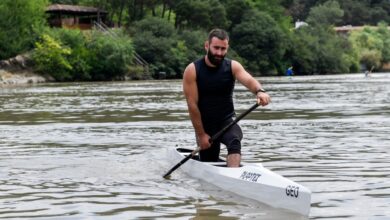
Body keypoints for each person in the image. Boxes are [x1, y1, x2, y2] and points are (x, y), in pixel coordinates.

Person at [182, 28, 271, 167]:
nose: (219, 53)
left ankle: (234, 176)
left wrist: (260, 91)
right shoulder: (192, 70)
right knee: (209, 160)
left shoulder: (233, 66)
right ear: (207, 45)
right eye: (216, 48)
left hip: (226, 121)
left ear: (227, 47)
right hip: (205, 126)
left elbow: (248, 80)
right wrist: (201, 135)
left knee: (234, 141)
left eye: (223, 49)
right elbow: (192, 105)